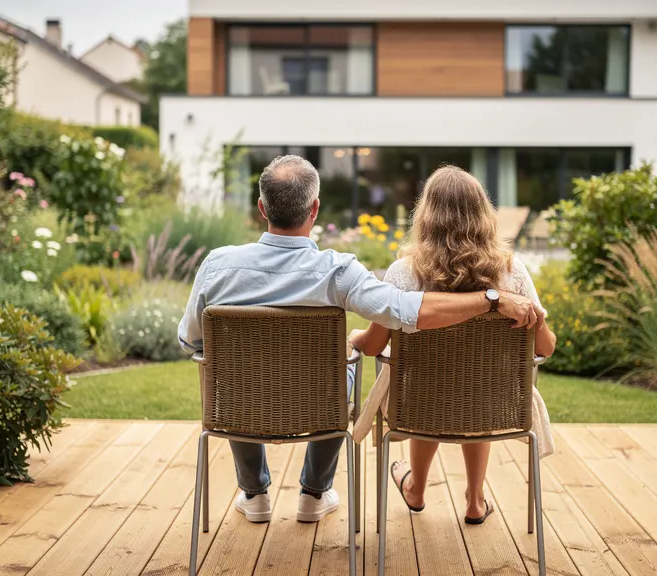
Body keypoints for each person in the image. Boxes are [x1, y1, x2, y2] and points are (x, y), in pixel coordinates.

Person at [178, 155, 541, 525]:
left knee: (237, 373)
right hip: (319, 404)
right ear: (315, 209)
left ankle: (254, 495)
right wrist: (491, 299)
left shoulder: (217, 266)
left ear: (261, 208)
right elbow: (403, 309)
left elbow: (191, 341)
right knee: (342, 372)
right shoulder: (338, 270)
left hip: (237, 406)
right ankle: (314, 494)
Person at [349, 165, 556, 525]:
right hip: (492, 403)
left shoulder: (404, 273)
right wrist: (535, 320)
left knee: (426, 385)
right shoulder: (512, 272)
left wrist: (357, 337)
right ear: (483, 214)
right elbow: (546, 347)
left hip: (417, 405)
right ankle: (475, 500)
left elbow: (372, 346)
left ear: (426, 215)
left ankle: (415, 488)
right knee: (475, 388)